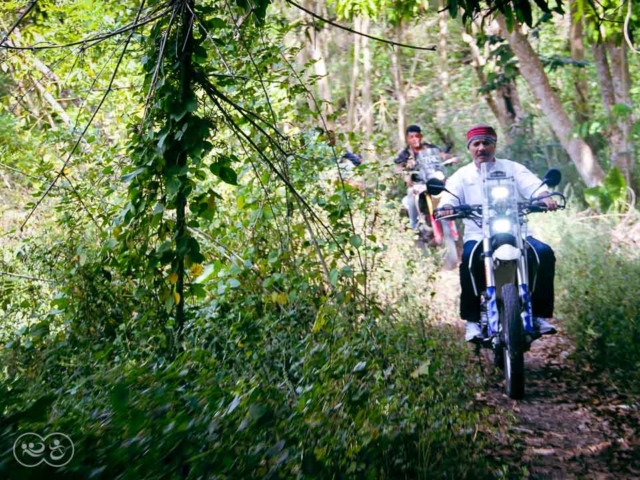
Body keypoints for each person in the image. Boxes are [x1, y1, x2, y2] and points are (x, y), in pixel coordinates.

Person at [437, 125, 558, 342]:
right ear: (470, 148)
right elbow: (450, 197)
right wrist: (447, 206)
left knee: (544, 253)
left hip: (516, 230)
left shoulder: (512, 168)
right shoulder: (461, 176)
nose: (481, 148)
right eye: (476, 144)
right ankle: (472, 320)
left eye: (486, 143)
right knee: (468, 261)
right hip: (478, 234)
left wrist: (544, 197)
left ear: (494, 145)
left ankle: (539, 314)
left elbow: (534, 186)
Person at [394, 125, 453, 229]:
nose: (415, 139)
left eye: (417, 136)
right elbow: (398, 168)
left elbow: (441, 156)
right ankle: (414, 225)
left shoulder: (430, 147)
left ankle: (459, 215)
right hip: (419, 184)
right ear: (408, 139)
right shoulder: (405, 154)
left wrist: (448, 158)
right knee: (411, 192)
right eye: (411, 137)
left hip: (435, 180)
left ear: (421, 136)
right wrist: (406, 170)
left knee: (452, 184)